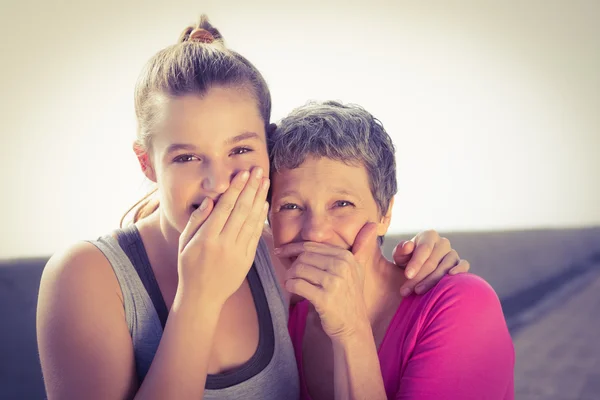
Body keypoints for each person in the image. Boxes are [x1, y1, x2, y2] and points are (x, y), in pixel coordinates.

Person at [36, 16, 470, 400]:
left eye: (240, 149)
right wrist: (199, 298)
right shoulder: (84, 277)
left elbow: (362, 277)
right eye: (186, 157)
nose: (218, 182)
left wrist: (425, 259)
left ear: (268, 149)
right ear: (147, 163)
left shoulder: (279, 261)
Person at [271, 101, 515, 400]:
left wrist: (350, 331)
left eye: (342, 204)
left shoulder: (462, 306)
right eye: (291, 206)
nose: (315, 232)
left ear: (385, 213)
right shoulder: (284, 320)